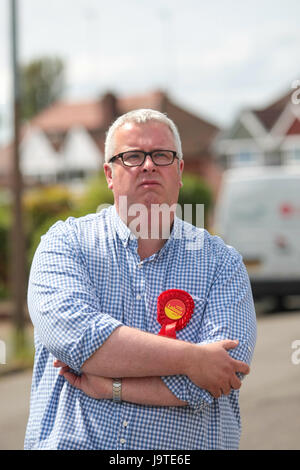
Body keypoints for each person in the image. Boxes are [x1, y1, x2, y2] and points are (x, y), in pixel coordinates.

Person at [25, 109, 256, 450]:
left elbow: (223, 374)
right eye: (132, 156)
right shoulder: (64, 244)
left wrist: (112, 386)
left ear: (179, 171)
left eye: (161, 155)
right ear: (109, 174)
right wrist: (192, 360)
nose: (148, 165)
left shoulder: (223, 264)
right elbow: (79, 339)